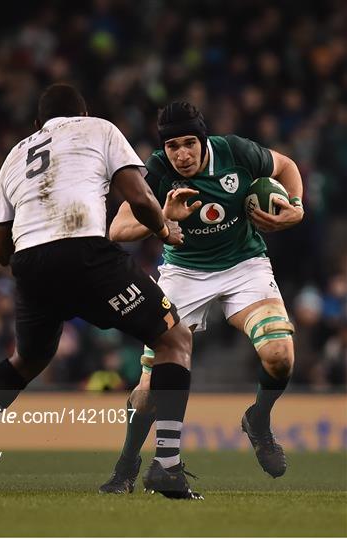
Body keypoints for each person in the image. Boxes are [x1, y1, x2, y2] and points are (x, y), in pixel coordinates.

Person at [0, 84, 203, 500]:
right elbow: (140, 197)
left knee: (24, 361)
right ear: (82, 113)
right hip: (84, 249)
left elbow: (0, 251)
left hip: (30, 264)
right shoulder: (98, 129)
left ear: (38, 125)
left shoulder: (14, 156)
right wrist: (164, 230)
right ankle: (167, 466)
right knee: (173, 338)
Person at [99, 101, 304, 494]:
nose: (182, 154)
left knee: (280, 356)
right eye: (173, 145)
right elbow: (117, 228)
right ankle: (126, 466)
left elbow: (287, 167)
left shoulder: (237, 152)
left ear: (203, 139)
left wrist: (296, 208)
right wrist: (162, 216)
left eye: (189, 143)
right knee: (146, 397)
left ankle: (258, 420)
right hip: (183, 274)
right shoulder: (155, 171)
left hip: (245, 265)